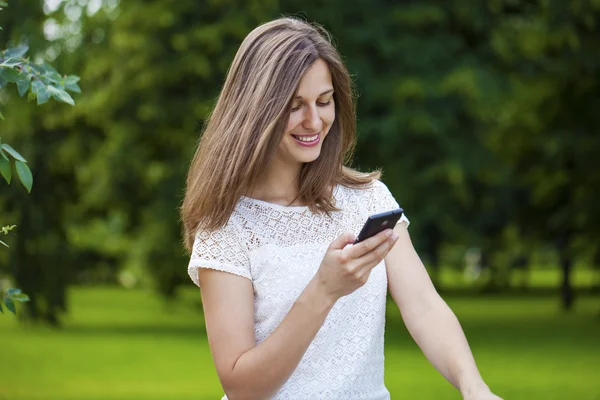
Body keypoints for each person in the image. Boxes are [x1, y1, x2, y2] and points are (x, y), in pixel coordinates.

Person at [180, 17, 502, 400]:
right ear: (256, 110)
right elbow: (242, 387)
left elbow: (423, 306)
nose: (315, 121)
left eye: (324, 101)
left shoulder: (369, 199)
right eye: (295, 105)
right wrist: (323, 290)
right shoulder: (225, 227)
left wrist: (474, 386)